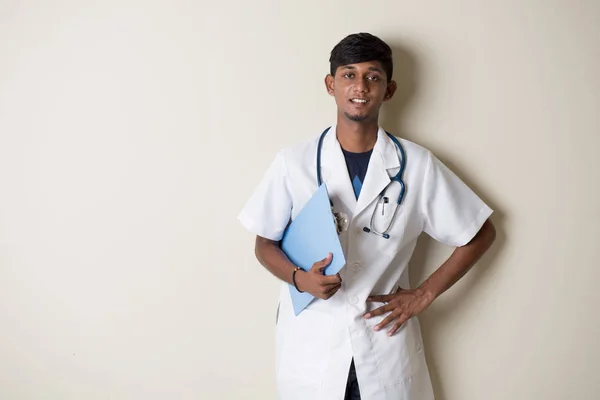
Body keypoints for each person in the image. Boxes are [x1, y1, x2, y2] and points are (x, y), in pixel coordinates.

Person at [237, 32, 497, 400]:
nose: (360, 86)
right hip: (313, 346)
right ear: (331, 84)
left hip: (383, 344)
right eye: (348, 75)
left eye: (373, 77)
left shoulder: (418, 166)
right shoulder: (293, 163)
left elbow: (480, 233)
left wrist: (423, 295)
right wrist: (299, 279)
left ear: (389, 90)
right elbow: (264, 242)